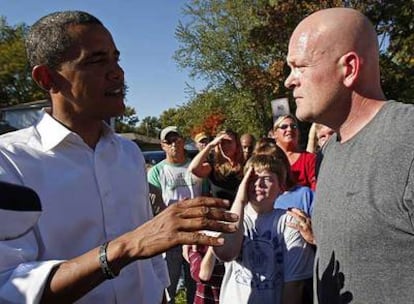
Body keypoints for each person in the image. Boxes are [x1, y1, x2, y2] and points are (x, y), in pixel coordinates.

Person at [0, 11, 239, 304]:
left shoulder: (128, 154)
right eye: (97, 60)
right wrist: (126, 247)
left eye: (116, 58)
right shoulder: (9, 161)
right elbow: (12, 288)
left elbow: (150, 259)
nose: (118, 72)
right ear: (47, 78)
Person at [285, 7, 414, 304]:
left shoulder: (408, 140)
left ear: (350, 68)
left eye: (299, 66)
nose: (289, 81)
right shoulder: (328, 151)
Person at [213, 154, 314, 304]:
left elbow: (294, 284)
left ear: (281, 187)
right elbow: (226, 253)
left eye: (267, 179)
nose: (259, 184)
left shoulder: (289, 222)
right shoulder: (232, 217)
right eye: (252, 178)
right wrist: (240, 200)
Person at [148, 126, 202, 304]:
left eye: (176, 139)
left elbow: (206, 193)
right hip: (170, 233)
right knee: (168, 281)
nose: (173, 144)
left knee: (195, 279)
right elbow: (154, 204)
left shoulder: (195, 166)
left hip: (196, 232)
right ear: (162, 145)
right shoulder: (156, 171)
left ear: (183, 141)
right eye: (168, 141)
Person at [189, 129, 244, 202]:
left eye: (229, 142)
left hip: (243, 211)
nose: (226, 146)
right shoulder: (214, 165)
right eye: (222, 143)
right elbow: (193, 169)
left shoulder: (245, 163)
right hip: (221, 211)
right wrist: (209, 146)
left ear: (237, 144)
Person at [273, 114, 317, 190]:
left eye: (294, 127)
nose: (289, 129)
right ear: (275, 134)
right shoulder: (270, 158)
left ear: (298, 133)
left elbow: (316, 189)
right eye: (284, 127)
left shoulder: (309, 159)